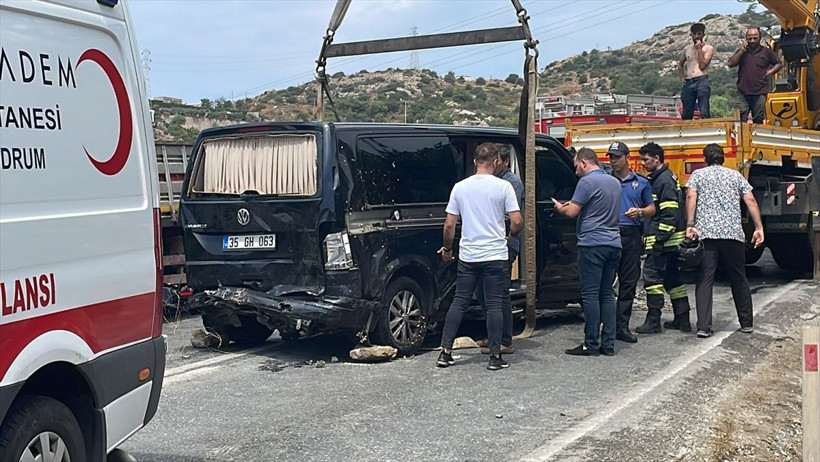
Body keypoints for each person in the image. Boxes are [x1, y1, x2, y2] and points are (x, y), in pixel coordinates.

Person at [437, 142, 523, 371]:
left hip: (469, 254)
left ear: (475, 162)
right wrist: (510, 236)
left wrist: (447, 249)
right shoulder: (503, 187)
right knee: (495, 304)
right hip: (495, 253)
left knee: (460, 301)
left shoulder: (460, 187)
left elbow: (449, 225)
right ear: (496, 162)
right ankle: (495, 356)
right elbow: (517, 220)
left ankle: (445, 352)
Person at [685, 143, 764, 337]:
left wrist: (690, 224)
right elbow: (750, 201)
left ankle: (704, 326)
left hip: (707, 234)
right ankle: (746, 322)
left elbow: (690, 197)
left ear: (705, 159)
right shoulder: (735, 176)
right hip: (733, 235)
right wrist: (759, 227)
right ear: (723, 158)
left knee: (705, 278)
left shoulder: (698, 176)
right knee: (738, 277)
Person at [553, 147, 622, 356]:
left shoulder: (587, 182)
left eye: (576, 167)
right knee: (607, 294)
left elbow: (572, 212)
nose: (575, 172)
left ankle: (591, 343)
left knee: (590, 294)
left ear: (584, 162)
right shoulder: (614, 182)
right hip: (614, 242)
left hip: (592, 243)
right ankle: (608, 344)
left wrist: (560, 207)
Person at [635, 142, 691, 334]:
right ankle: (682, 319)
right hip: (671, 242)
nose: (643, 163)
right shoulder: (663, 178)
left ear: (657, 158)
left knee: (652, 280)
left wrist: (659, 239)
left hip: (664, 242)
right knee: (673, 281)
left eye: (646, 159)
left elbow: (670, 213)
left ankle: (653, 321)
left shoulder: (663, 181)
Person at [476, 144, 524, 355]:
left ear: (503, 162)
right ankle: (494, 335)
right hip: (493, 243)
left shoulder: (511, 184)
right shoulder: (493, 182)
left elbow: (511, 217)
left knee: (500, 293)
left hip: (505, 242)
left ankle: (505, 339)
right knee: (483, 292)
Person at [606, 142, 655, 344]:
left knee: (628, 282)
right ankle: (606, 325)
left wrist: (641, 212)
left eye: (617, 157)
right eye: (611, 157)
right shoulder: (606, 181)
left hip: (631, 234)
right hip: (609, 233)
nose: (613, 161)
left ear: (627, 157)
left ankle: (621, 326)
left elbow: (652, 207)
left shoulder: (641, 182)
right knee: (606, 282)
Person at [727, 27, 784, 124]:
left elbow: (779, 63)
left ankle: (755, 138)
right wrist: (741, 51)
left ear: (760, 38)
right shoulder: (742, 52)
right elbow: (730, 63)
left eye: (755, 38)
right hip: (743, 92)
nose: (752, 41)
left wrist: (769, 73)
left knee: (758, 118)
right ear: (746, 39)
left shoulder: (766, 52)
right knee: (739, 119)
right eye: (750, 38)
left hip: (759, 91)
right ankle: (741, 138)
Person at [677, 23, 715, 120]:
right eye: (694, 34)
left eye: (699, 34)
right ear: (691, 35)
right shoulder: (687, 49)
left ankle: (706, 125)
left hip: (701, 79)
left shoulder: (708, 48)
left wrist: (699, 50)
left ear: (703, 35)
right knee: (687, 110)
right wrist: (682, 77)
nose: (696, 37)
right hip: (689, 81)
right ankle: (686, 129)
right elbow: (680, 64)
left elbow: (702, 65)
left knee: (704, 108)